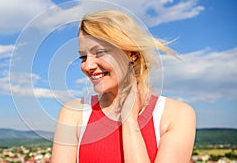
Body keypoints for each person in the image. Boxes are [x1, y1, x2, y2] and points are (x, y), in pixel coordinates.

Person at [51, 10, 196, 163]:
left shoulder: (177, 115)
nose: (88, 66)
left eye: (99, 52)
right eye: (83, 57)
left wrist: (129, 121)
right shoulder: (73, 113)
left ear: (131, 53)